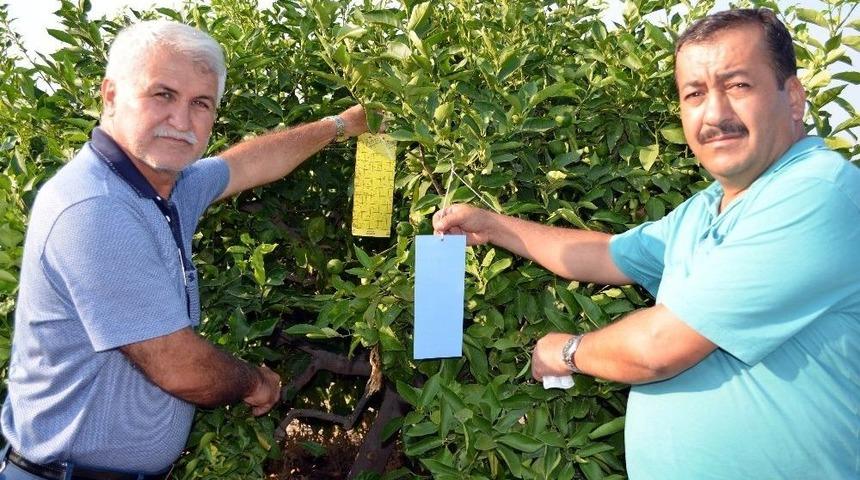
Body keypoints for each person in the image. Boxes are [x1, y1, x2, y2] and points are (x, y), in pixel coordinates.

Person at [434, 8, 858, 479]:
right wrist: (492, 225)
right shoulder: (707, 208)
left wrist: (568, 350)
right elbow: (604, 253)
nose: (715, 114)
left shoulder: (817, 192)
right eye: (694, 94)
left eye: (738, 85)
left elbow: (659, 348)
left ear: (793, 96)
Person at [0, 20, 368, 478]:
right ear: (110, 94)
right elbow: (180, 368)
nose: (181, 121)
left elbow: (247, 163)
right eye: (163, 95)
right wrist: (254, 381)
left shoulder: (163, 187)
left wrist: (343, 124)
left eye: (200, 103)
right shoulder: (97, 208)